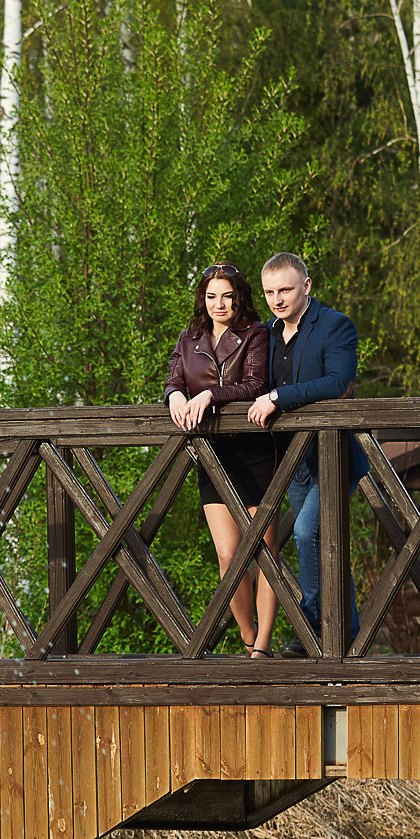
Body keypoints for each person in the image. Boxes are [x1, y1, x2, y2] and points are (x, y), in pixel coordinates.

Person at [245, 252, 361, 640]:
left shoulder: (335, 326)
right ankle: (346, 628)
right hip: (291, 459)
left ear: (307, 286)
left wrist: (279, 396)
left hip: (333, 454)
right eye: (269, 292)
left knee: (308, 532)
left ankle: (312, 628)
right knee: (319, 540)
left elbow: (337, 383)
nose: (277, 299)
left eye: (285, 290)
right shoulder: (266, 334)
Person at [164, 263, 278, 655]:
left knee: (263, 552)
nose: (219, 304)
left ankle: (263, 645)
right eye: (212, 296)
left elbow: (255, 384)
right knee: (228, 557)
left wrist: (211, 394)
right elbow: (174, 379)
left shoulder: (256, 334)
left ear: (240, 297)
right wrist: (175, 397)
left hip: (255, 451)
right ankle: (248, 638)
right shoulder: (188, 337)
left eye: (227, 296)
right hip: (213, 456)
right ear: (203, 299)